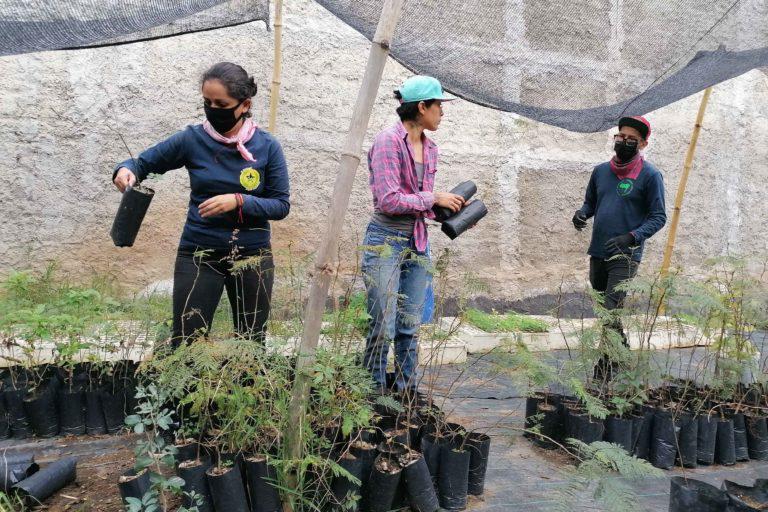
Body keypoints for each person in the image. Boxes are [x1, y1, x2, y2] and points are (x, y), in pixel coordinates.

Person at [113, 62, 290, 346]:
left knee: (251, 346)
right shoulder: (192, 139)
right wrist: (125, 170)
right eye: (207, 102)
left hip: (252, 256)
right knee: (186, 344)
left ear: (244, 105)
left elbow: (280, 205)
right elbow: (141, 163)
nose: (212, 109)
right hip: (199, 253)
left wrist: (238, 200)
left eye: (221, 103)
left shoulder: (267, 146)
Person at [361, 75, 465, 394]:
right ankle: (374, 394)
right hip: (386, 240)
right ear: (422, 107)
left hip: (417, 242)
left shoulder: (430, 148)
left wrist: (453, 213)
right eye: (438, 106)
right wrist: (434, 198)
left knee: (410, 324)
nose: (442, 113)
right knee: (383, 324)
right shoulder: (388, 142)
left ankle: (406, 394)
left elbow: (419, 205)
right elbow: (390, 200)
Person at [572, 116, 666, 379]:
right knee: (605, 312)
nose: (623, 142)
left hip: (626, 254)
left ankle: (604, 369)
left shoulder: (650, 176)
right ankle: (622, 355)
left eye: (631, 139)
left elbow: (659, 217)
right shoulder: (601, 171)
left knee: (612, 309)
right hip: (598, 250)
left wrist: (632, 237)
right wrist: (581, 214)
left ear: (643, 144)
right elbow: (590, 203)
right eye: (620, 137)